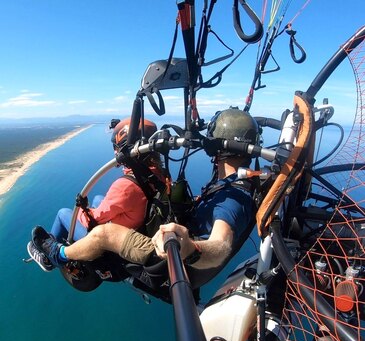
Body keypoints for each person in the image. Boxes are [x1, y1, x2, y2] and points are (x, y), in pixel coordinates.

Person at [29, 108, 258, 292]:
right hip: (170, 244)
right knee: (100, 199)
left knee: (95, 228)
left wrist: (190, 248)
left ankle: (55, 255)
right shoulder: (229, 185)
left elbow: (221, 245)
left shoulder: (232, 199)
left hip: (172, 259)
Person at [27, 117, 164, 271]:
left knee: (63, 213)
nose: (115, 151)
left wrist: (81, 210)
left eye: (117, 147)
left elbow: (92, 221)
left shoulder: (126, 186)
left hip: (112, 243)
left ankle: (49, 257)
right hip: (137, 225)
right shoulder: (158, 174)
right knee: (99, 198)